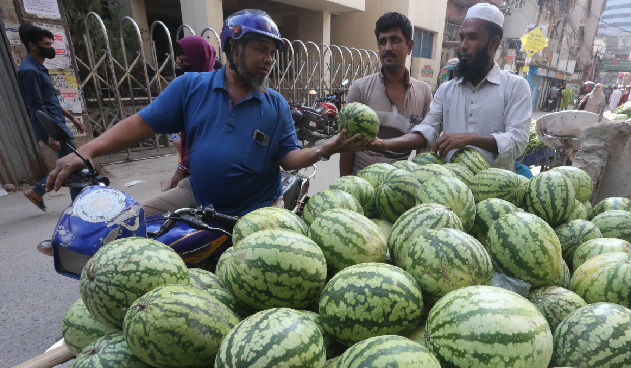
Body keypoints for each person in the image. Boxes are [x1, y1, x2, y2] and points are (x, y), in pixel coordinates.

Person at [45, 9, 369, 216]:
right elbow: (141, 123)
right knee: (127, 230)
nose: (269, 59)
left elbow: (288, 160)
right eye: (261, 49)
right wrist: (86, 151)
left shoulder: (276, 105)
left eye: (272, 52)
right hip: (195, 194)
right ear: (233, 47)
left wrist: (327, 148)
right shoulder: (190, 87)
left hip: (259, 208)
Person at [368, 3, 531, 172]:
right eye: (462, 37)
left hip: (496, 191)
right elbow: (427, 129)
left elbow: (517, 142)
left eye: (472, 37)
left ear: (493, 42)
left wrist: (469, 139)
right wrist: (382, 144)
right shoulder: (446, 90)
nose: (463, 46)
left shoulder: (515, 87)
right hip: (451, 191)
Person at [339, 12, 432, 176]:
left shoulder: (424, 91)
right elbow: (347, 146)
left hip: (399, 187)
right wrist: (345, 185)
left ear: (409, 46)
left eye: (395, 40)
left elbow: (423, 145)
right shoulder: (360, 89)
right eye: (382, 42)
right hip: (362, 183)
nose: (387, 48)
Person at [18, 23, 85, 210]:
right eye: (47, 44)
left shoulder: (37, 67)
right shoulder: (29, 71)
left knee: (70, 162)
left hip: (55, 122)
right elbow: (36, 105)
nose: (51, 48)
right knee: (74, 165)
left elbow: (49, 101)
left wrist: (71, 117)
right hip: (50, 126)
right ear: (33, 45)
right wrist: (51, 134)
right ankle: (78, 208)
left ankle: (37, 192)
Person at [168, 35, 219, 190]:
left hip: (211, 167)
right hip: (187, 155)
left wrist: (183, 168)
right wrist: (175, 137)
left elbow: (210, 137)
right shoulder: (184, 89)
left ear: (202, 59)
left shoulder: (217, 91)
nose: (182, 68)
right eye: (179, 63)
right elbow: (165, 116)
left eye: (186, 62)